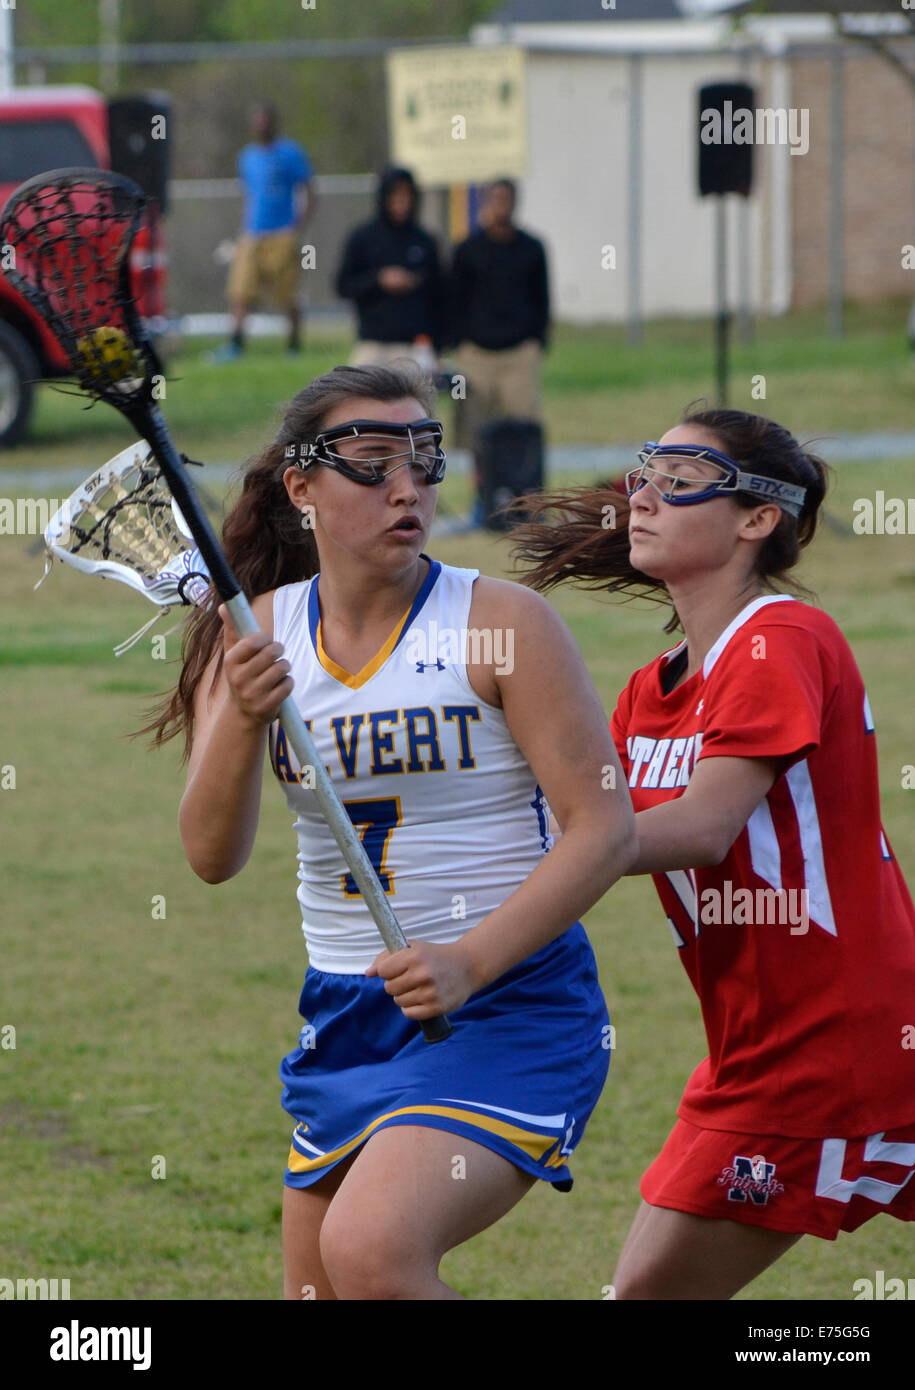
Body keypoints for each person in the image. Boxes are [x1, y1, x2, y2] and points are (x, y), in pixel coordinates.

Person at [143, 362, 636, 1300]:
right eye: (373, 463)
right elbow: (210, 858)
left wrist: (470, 960)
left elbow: (602, 830)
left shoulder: (500, 624)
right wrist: (243, 718)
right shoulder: (255, 634)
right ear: (302, 487)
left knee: (370, 1253)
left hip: (505, 1004)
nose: (407, 487)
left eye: (425, 460)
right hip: (345, 1018)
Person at [509, 407, 915, 1299]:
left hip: (831, 1044)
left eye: (682, 476)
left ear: (758, 518)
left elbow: (700, 827)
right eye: (645, 469)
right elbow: (576, 824)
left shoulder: (782, 640)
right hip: (751, 1047)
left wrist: (570, 849)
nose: (643, 495)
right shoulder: (645, 694)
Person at [448, 178, 550, 448]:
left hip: (519, 352)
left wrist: (537, 339)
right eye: (496, 199)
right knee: (473, 425)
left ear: (515, 203)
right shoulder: (467, 249)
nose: (501, 206)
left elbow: (542, 298)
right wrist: (459, 340)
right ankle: (478, 485)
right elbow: (455, 299)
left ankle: (524, 482)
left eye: (506, 199)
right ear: (485, 202)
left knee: (524, 424)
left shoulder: (532, 248)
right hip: (477, 354)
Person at [214, 102, 316, 361]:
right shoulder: (247, 157)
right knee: (240, 290)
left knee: (288, 293)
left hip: (282, 233)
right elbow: (250, 195)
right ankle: (236, 345)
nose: (261, 126)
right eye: (257, 122)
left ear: (273, 123)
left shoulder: (291, 153)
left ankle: (294, 346)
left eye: (265, 121)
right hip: (252, 233)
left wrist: (298, 226)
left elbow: (309, 190)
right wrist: (243, 227)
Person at [335, 168, 443, 370]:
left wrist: (437, 346)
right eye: (395, 194)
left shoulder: (424, 241)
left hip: (413, 345)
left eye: (407, 194)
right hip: (372, 342)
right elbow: (342, 286)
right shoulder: (363, 238)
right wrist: (379, 280)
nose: (401, 201)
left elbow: (439, 295)